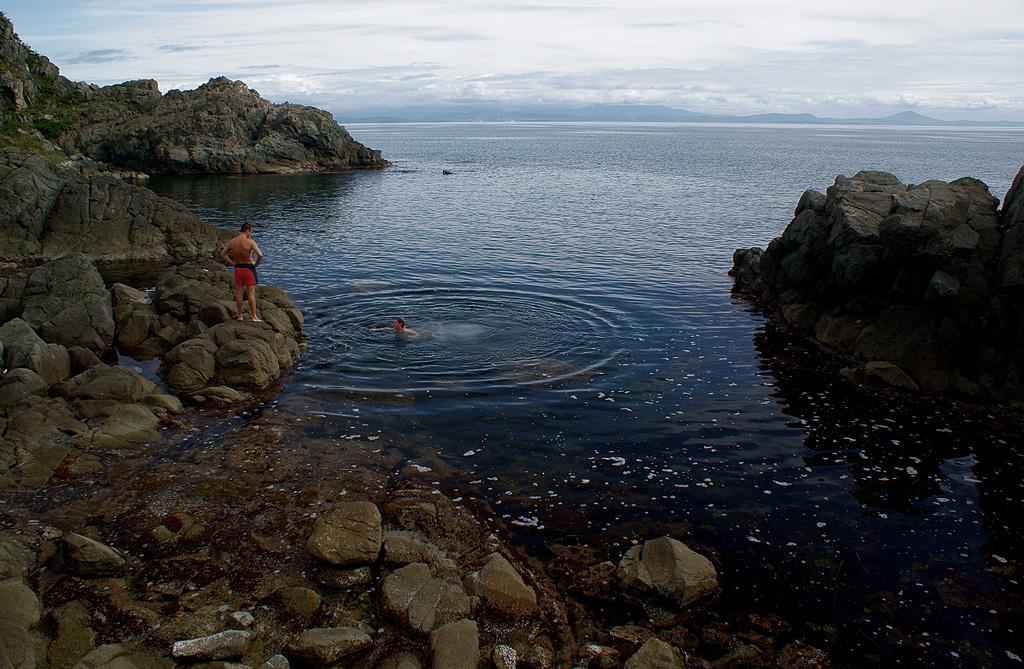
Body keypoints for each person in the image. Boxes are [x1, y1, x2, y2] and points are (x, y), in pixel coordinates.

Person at [219, 223, 263, 322]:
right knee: (250, 293)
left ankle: (240, 316)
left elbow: (222, 254)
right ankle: (254, 317)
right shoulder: (250, 242)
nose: (250, 234)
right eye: (250, 232)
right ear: (247, 231)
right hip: (248, 268)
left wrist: (232, 264)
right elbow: (260, 255)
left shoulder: (232, 242)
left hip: (238, 268)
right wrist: (256, 264)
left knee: (239, 292)